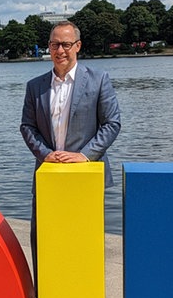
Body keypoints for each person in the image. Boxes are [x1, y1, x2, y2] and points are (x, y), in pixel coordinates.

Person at [20, 21, 121, 278]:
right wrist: (45, 154)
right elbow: (27, 127)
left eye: (66, 44)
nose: (60, 50)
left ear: (78, 46)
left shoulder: (98, 80)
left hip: (84, 176)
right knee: (44, 242)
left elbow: (112, 124)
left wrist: (84, 155)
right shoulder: (35, 86)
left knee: (82, 244)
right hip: (48, 175)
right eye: (54, 44)